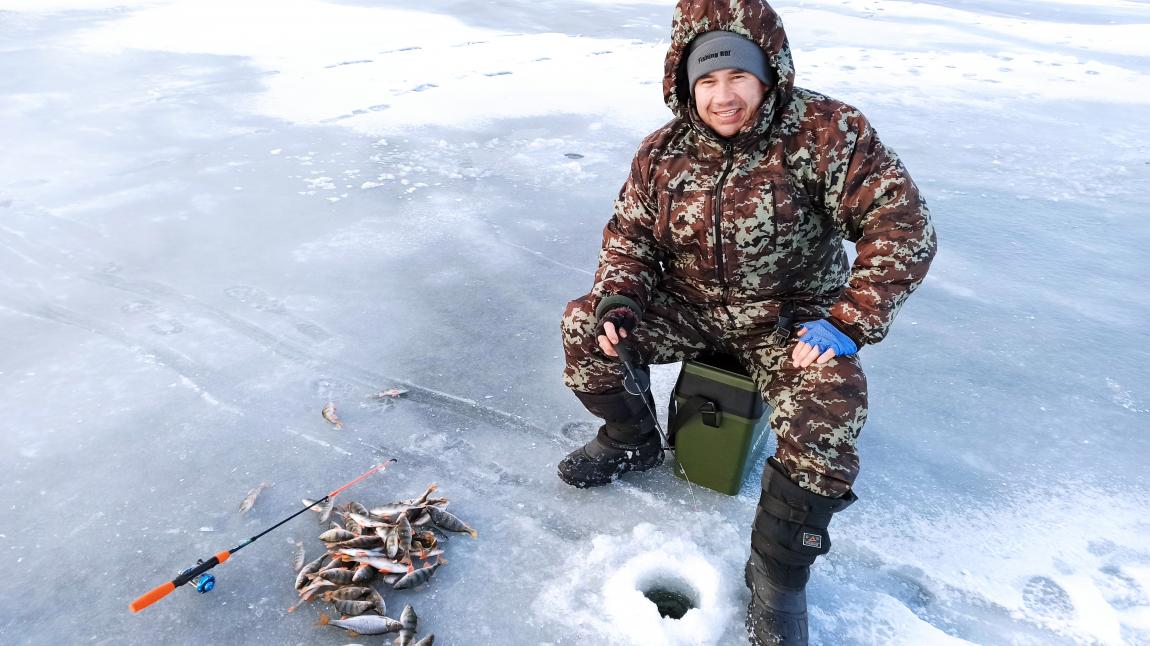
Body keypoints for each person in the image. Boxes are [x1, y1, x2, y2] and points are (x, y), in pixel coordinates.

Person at [556, 0, 937, 644]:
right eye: (707, 79)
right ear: (686, 85)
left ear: (769, 73)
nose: (724, 96)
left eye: (739, 76)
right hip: (691, 303)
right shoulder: (663, 151)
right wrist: (619, 299)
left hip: (788, 320)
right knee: (585, 327)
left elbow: (902, 227)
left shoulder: (827, 132)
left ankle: (777, 574)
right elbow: (629, 239)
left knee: (830, 402)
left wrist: (848, 321)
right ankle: (631, 439)